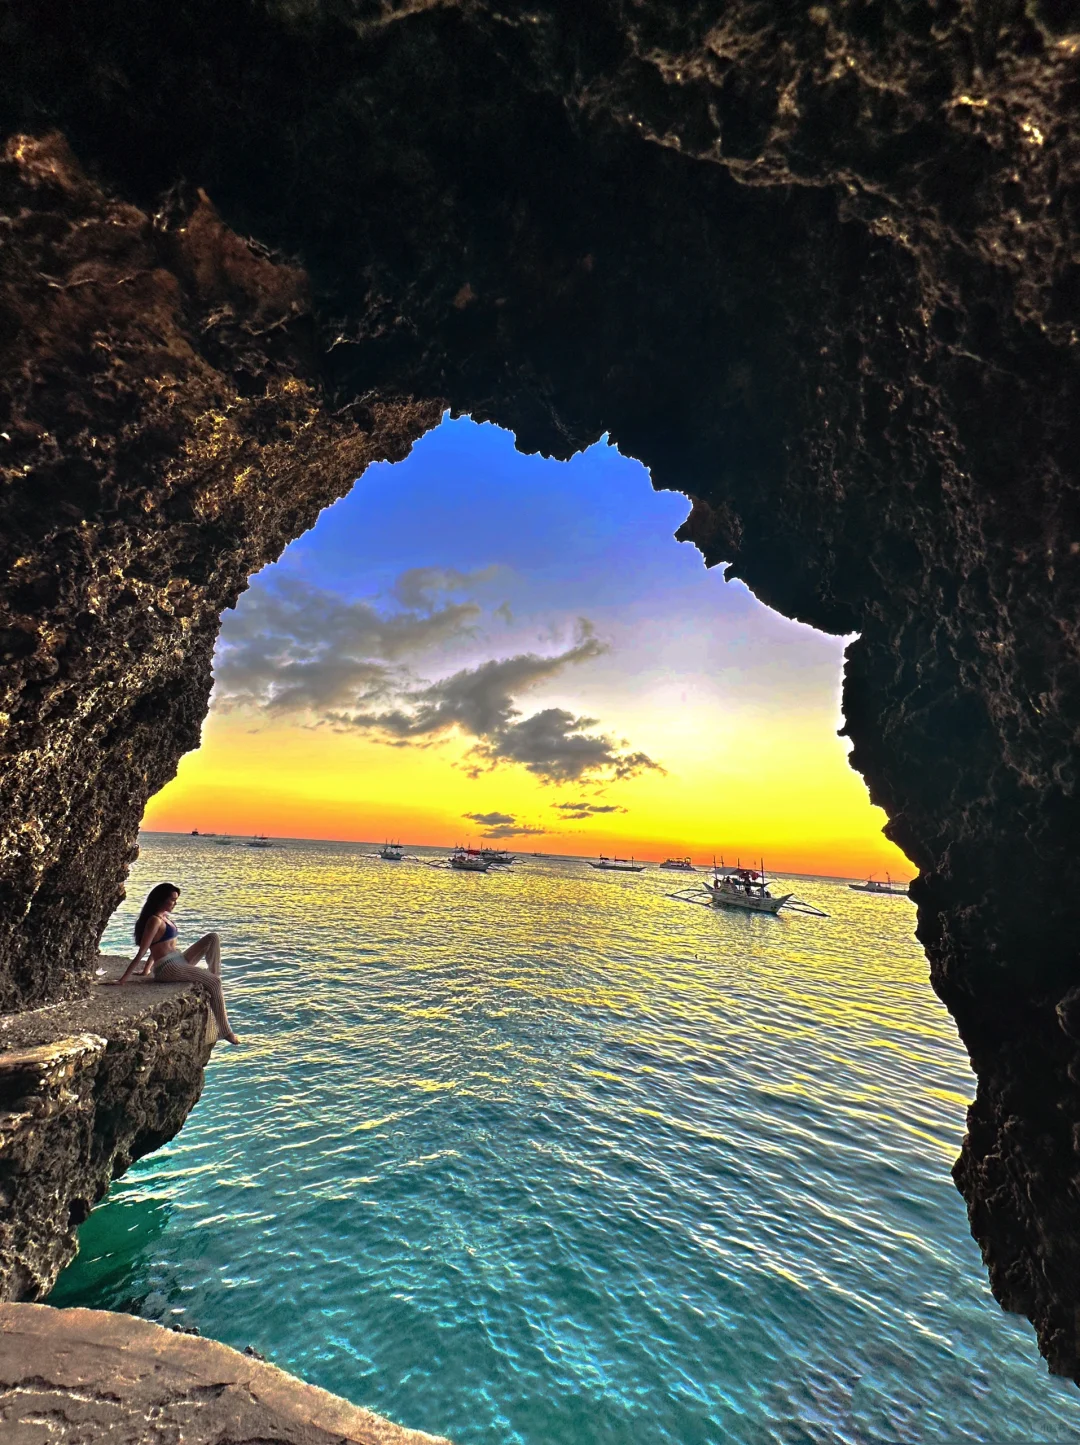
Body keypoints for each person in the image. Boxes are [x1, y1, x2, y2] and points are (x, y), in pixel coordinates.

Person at [106, 882, 240, 1045]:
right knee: (215, 983)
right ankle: (225, 1031)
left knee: (212, 938)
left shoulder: (165, 917)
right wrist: (122, 980)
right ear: (161, 899)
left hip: (179, 959)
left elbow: (156, 946)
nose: (174, 903)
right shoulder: (154, 921)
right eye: (172, 900)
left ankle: (213, 974)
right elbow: (144, 950)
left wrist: (146, 970)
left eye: (176, 900)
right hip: (168, 968)